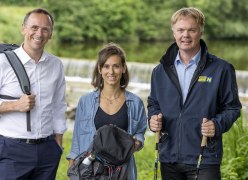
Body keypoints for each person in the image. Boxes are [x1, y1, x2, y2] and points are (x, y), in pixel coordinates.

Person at [0, 8, 67, 180]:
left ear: (51, 34)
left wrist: (58, 141)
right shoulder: (0, 62)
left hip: (48, 150)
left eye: (45, 29)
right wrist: (15, 105)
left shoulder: (56, 65)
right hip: (12, 150)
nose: (39, 33)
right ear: (23, 28)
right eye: (34, 27)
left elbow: (59, 105)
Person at [147, 7, 242, 180]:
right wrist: (153, 119)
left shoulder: (221, 69)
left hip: (205, 156)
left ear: (201, 31)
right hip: (169, 156)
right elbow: (154, 104)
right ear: (173, 32)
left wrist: (217, 125)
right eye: (181, 30)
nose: (186, 35)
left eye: (192, 30)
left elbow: (233, 108)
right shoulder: (159, 71)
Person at [66, 42, 147, 179]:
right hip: (90, 172)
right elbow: (77, 141)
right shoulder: (85, 102)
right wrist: (72, 171)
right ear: (99, 69)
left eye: (116, 66)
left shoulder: (135, 103)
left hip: (122, 172)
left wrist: (137, 143)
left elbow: (140, 132)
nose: (111, 71)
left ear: (123, 68)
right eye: (106, 66)